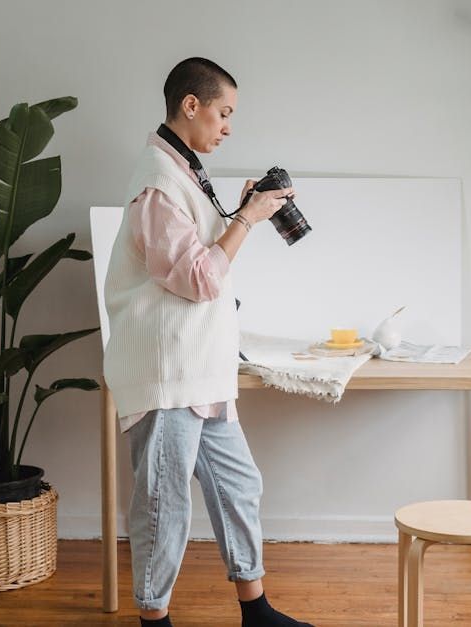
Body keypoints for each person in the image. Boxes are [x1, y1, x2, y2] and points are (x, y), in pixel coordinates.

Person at [102, 57, 313, 627]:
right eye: (223, 112)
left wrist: (240, 214)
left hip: (202, 369)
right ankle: (155, 620)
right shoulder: (158, 182)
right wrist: (245, 217)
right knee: (164, 506)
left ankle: (258, 611)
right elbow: (197, 279)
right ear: (190, 105)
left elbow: (194, 259)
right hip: (169, 371)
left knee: (239, 486)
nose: (228, 126)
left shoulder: (183, 167)